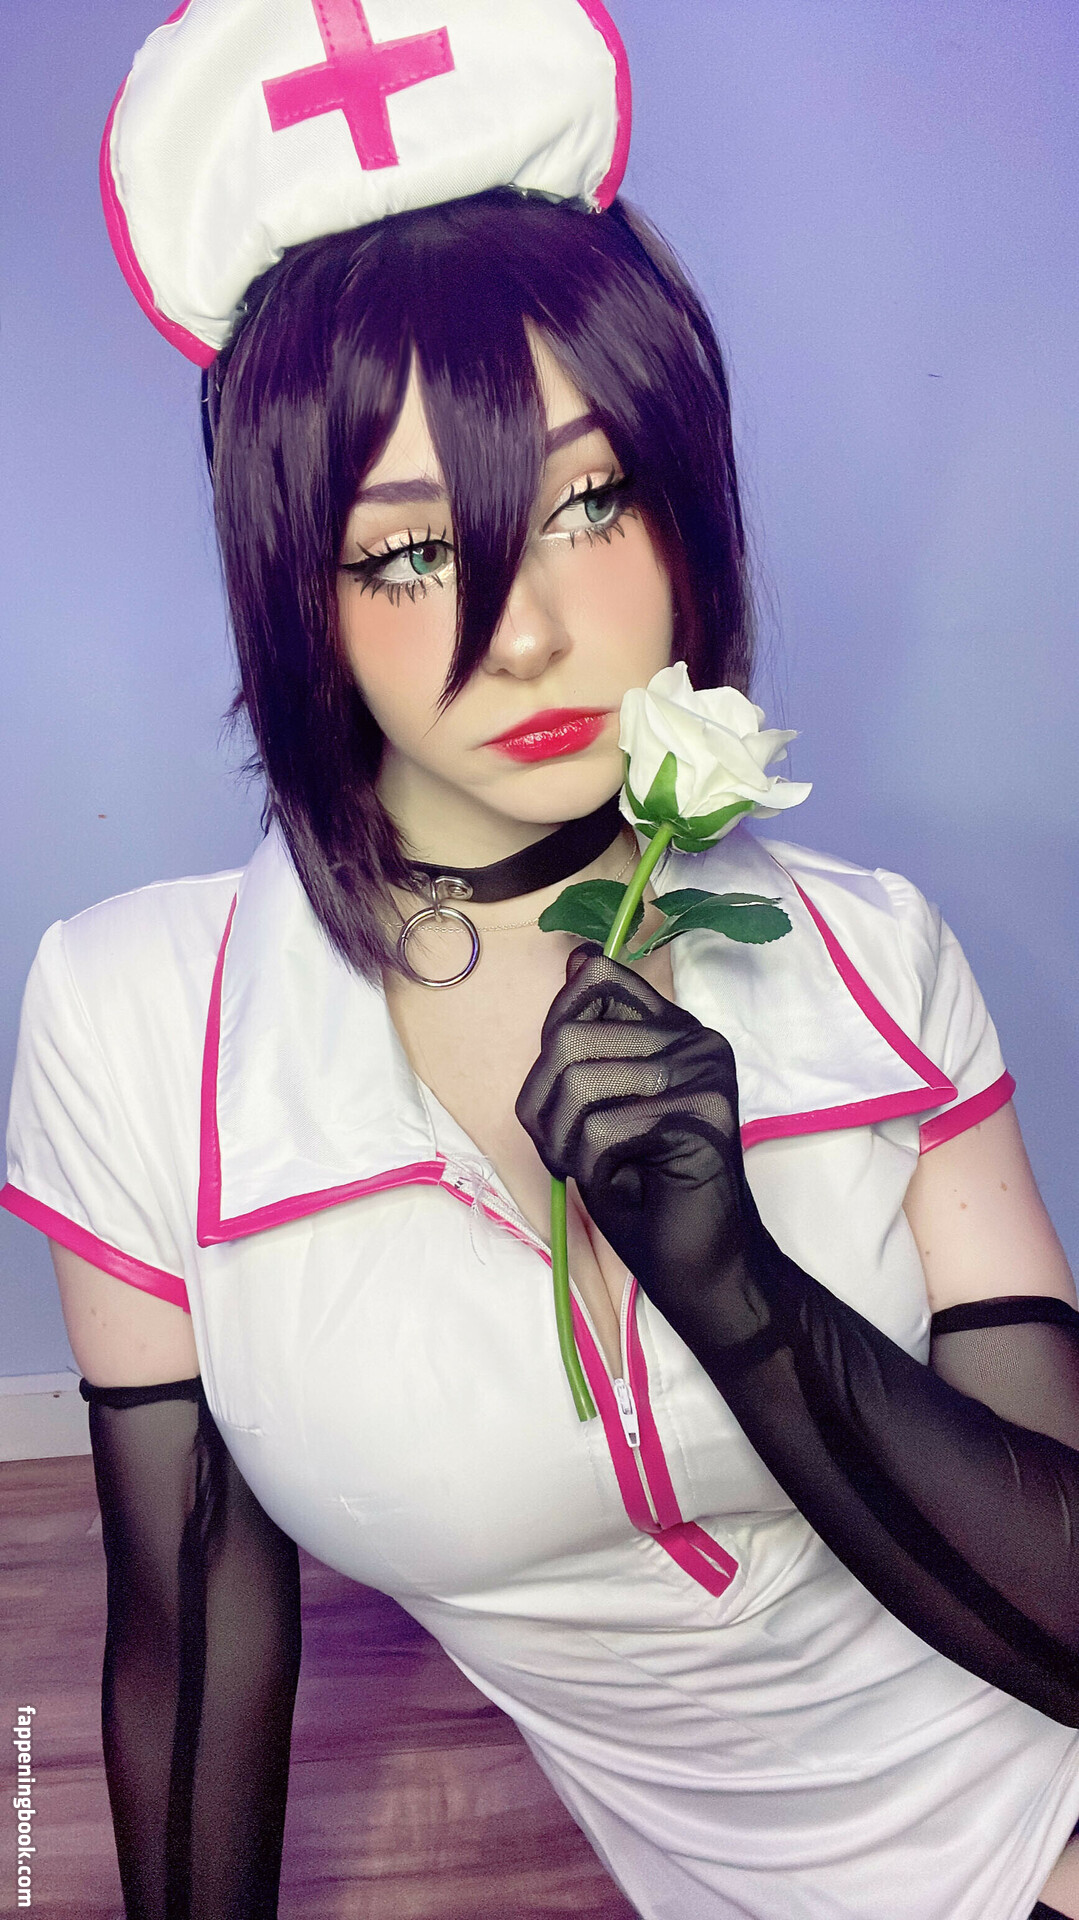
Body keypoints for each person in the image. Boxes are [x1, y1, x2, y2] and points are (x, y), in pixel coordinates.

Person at [3, 2, 1079, 1916]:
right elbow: (195, 1631)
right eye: (410, 551)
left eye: (591, 500)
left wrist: (738, 1292)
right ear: (295, 587)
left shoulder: (869, 956)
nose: (529, 629)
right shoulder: (140, 1024)